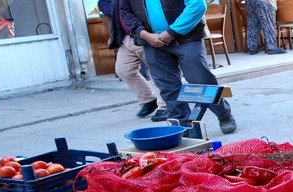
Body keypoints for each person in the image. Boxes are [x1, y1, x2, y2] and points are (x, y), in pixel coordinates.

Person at [120, 0, 237, 134]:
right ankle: (182, 125)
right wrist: (144, 34)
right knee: (167, 87)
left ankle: (224, 115)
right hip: (152, 43)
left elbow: (197, 5)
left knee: (201, 81)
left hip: (187, 37)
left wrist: (172, 32)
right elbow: (125, 12)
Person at [98, 0, 167, 118]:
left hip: (146, 34)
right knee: (123, 70)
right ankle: (148, 99)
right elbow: (107, 8)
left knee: (159, 71)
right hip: (126, 37)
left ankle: (165, 106)